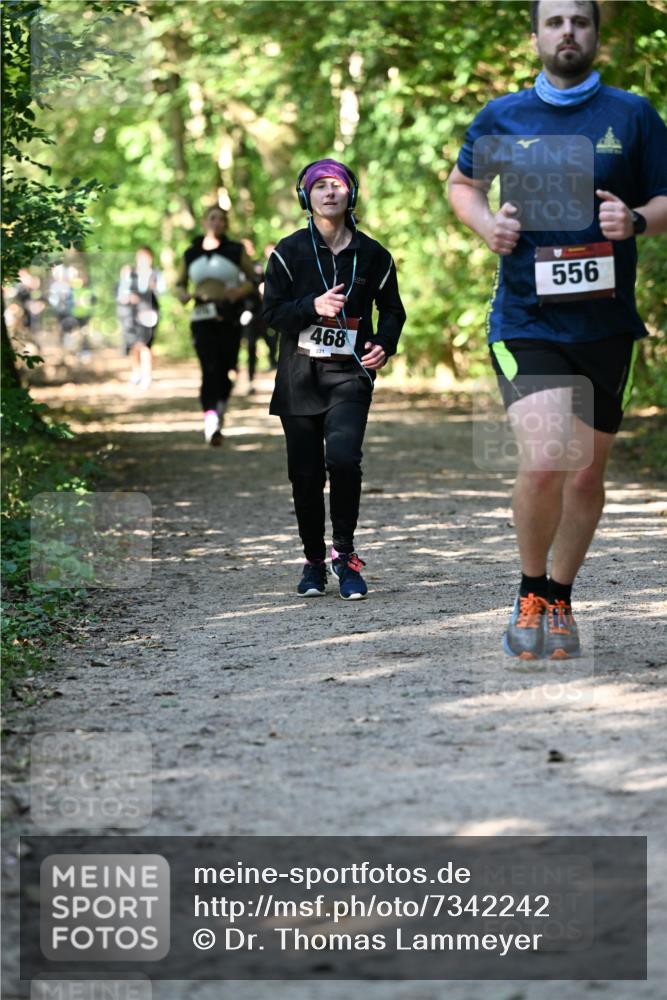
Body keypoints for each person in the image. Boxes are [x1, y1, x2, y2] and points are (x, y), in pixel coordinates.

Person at [447, 0, 667, 658]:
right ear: (536, 34)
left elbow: (663, 199)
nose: (566, 31)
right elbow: (462, 184)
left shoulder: (631, 115)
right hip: (524, 319)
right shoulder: (503, 116)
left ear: (595, 34)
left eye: (579, 21)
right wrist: (488, 226)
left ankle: (561, 598)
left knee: (583, 478)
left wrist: (635, 221)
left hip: (603, 326)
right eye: (554, 21)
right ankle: (529, 588)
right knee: (547, 460)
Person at [263, 159, 406, 600]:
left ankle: (344, 556)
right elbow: (273, 314)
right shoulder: (288, 252)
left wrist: (385, 342)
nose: (329, 192)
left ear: (351, 195)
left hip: (350, 375)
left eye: (337, 186)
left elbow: (393, 310)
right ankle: (312, 561)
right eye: (320, 186)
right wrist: (312, 306)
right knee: (305, 475)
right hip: (299, 379)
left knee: (343, 460)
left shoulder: (373, 254)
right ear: (307, 198)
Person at [175, 206, 255, 445]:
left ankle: (220, 408)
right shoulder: (191, 253)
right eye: (213, 218)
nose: (217, 223)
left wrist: (239, 291)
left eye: (222, 219)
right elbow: (179, 283)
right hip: (201, 317)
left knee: (228, 367)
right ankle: (211, 420)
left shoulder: (236, 250)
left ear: (226, 224)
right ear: (204, 222)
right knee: (208, 367)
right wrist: (183, 295)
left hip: (229, 317)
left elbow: (254, 279)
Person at [116, 247, 165, 388]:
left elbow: (162, 290)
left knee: (145, 345)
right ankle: (136, 372)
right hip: (131, 315)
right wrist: (128, 297)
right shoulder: (128, 272)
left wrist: (154, 287)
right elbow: (121, 294)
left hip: (150, 314)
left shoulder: (156, 274)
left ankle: (147, 375)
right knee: (134, 345)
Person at [238, 238, 278, 394]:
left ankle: (272, 364)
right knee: (250, 346)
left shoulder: (258, 266)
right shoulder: (235, 268)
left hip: (261, 313)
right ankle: (248, 379)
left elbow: (264, 284)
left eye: (249, 247)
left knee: (271, 340)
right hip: (243, 314)